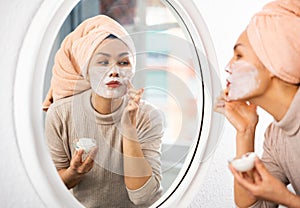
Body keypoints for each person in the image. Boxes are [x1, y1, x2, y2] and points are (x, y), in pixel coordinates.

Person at [43, 15, 164, 208]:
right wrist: (73, 174)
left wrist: (128, 128)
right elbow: (49, 185)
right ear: (86, 72)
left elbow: (144, 199)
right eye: (103, 62)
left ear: (133, 70)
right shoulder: (60, 113)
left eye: (123, 62)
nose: (114, 70)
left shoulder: (148, 115)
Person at [214, 0, 300, 207]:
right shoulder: (276, 137)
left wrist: (286, 199)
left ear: (276, 61)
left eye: (239, 55)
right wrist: (245, 131)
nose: (228, 66)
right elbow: (254, 206)